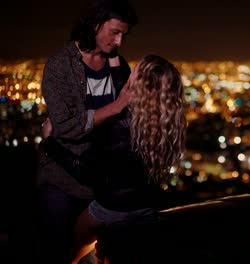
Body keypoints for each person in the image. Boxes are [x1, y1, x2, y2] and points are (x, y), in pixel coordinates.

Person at [41, 54, 187, 263]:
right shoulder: (168, 123)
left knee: (70, 250)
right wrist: (113, 58)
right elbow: (123, 84)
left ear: (141, 87)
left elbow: (85, 172)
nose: (131, 71)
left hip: (112, 208)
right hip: (145, 205)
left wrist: (50, 143)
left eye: (135, 71)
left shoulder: (120, 126)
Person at [37, 0, 138, 263]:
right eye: (115, 32)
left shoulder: (116, 64)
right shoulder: (61, 65)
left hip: (100, 181)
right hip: (62, 180)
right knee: (58, 251)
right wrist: (114, 107)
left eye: (123, 35)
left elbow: (128, 117)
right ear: (95, 24)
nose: (119, 42)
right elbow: (67, 126)